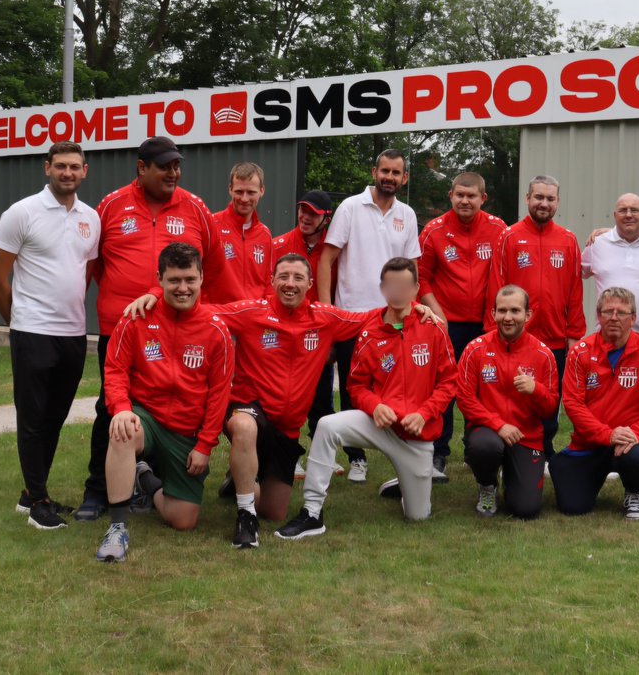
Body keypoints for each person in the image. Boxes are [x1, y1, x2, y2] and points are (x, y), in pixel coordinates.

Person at [122, 254, 439, 548]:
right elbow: (198, 307)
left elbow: (372, 317)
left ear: (309, 284)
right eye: (283, 276)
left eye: (298, 277)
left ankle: (225, 481)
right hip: (249, 408)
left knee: (274, 512)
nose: (290, 283)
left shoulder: (325, 318)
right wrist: (156, 293)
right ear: (271, 280)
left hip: (286, 429)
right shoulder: (252, 312)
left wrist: (414, 309)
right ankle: (245, 516)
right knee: (245, 427)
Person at [75, 135, 228, 522]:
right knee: (112, 408)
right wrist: (121, 305)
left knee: (174, 402)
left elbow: (213, 269)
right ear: (142, 168)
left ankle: (150, 480)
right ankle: (98, 490)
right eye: (165, 167)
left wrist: (174, 303)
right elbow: (94, 267)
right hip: (122, 329)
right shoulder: (111, 206)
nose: (173, 173)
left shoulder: (196, 208)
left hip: (182, 330)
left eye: (177, 166)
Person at [276, 258, 457, 540]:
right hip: (380, 424)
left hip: (416, 434)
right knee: (327, 425)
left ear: (415, 289)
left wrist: (424, 413)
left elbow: (449, 382)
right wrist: (376, 406)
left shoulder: (433, 328)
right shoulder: (370, 330)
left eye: (404, 285)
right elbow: (356, 386)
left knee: (418, 516)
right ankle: (312, 512)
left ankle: (404, 480)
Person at [0, 141, 100, 530]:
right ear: (47, 167)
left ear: (84, 171)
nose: (68, 173)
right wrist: (18, 320)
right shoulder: (22, 213)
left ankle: (31, 492)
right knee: (33, 418)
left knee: (54, 416)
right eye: (61, 166)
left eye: (75, 167)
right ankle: (38, 502)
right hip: (32, 331)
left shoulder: (91, 218)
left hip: (73, 333)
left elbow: (83, 274)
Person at [94, 243, 234, 562]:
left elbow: (219, 394)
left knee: (183, 520)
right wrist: (122, 409)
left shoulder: (216, 330)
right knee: (123, 430)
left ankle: (145, 478)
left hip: (186, 431)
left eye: (190, 279)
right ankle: (117, 528)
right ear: (159, 279)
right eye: (173, 280)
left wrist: (205, 445)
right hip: (147, 417)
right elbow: (115, 370)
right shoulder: (136, 318)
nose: (182, 288)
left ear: (201, 278)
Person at [317, 149, 422, 483]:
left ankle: (403, 454)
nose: (389, 177)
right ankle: (357, 457)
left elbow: (412, 267)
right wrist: (327, 313)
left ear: (404, 178)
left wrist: (413, 306)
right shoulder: (350, 207)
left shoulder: (407, 214)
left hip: (392, 317)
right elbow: (326, 260)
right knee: (353, 388)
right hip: (352, 317)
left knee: (397, 387)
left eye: (396, 173)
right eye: (384, 171)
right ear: (374, 172)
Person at [552, 288, 639, 520]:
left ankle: (635, 491)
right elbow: (573, 404)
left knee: (635, 457)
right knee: (572, 506)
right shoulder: (580, 352)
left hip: (630, 442)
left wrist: (637, 433)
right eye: (608, 312)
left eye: (622, 312)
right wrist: (607, 435)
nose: (614, 317)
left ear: (633, 318)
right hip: (589, 443)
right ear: (598, 316)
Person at [487, 175, 586, 461]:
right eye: (539, 197)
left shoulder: (568, 240)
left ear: (558, 202)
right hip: (515, 337)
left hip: (554, 338)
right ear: (528, 198)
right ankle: (504, 448)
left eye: (550, 198)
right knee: (510, 394)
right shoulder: (509, 236)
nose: (544, 203)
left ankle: (543, 448)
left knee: (548, 398)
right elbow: (496, 286)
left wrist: (574, 336)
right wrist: (493, 331)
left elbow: (575, 292)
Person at [417, 171, 507, 482]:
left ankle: (478, 448)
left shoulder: (498, 229)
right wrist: (438, 315)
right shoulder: (433, 230)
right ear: (451, 196)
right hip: (447, 324)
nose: (465, 201)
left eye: (471, 196)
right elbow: (421, 277)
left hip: (487, 324)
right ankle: (438, 452)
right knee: (444, 387)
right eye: (459, 195)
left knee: (485, 387)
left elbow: (506, 272)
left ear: (483, 198)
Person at [580, 193, 639, 486]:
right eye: (623, 210)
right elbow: (577, 273)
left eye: (635, 210)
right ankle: (607, 456)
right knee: (607, 402)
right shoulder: (599, 244)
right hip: (608, 341)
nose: (629, 214)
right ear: (614, 215)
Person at [456, 285, 557, 519]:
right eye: (502, 311)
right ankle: (487, 485)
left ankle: (513, 476)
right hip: (487, 431)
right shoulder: (475, 349)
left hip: (525, 437)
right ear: (493, 314)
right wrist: (498, 425)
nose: (508, 317)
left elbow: (550, 408)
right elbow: (465, 399)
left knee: (525, 509)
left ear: (528, 315)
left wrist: (535, 390)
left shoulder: (543, 355)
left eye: (515, 311)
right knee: (484, 447)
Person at [270, 191, 345, 479]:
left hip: (319, 335)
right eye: (302, 210)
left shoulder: (335, 250)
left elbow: (339, 290)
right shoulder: (279, 245)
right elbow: (268, 288)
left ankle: (322, 455)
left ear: (326, 218)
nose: (305, 216)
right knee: (284, 400)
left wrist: (332, 336)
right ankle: (287, 455)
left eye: (313, 213)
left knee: (322, 398)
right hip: (285, 334)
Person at [214, 161, 272, 300]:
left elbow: (268, 281)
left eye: (251, 192)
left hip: (254, 311)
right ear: (230, 189)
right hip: (220, 311)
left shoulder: (265, 234)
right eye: (239, 192)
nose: (244, 199)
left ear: (262, 191)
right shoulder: (212, 225)